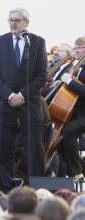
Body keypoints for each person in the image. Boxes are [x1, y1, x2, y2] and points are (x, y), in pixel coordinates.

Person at [0, 7, 47, 192]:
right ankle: (7, 188)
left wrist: (22, 94)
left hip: (29, 102)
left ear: (26, 23)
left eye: (17, 20)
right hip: (5, 102)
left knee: (34, 147)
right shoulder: (0, 42)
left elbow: (41, 75)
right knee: (5, 147)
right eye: (10, 20)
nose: (13, 23)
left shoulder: (37, 42)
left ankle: (37, 188)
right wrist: (10, 95)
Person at [58, 36, 85, 183]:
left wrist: (68, 81)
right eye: (74, 48)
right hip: (76, 112)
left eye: (78, 48)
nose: (75, 51)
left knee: (69, 131)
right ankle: (80, 168)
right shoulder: (78, 66)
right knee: (60, 139)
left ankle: (76, 172)